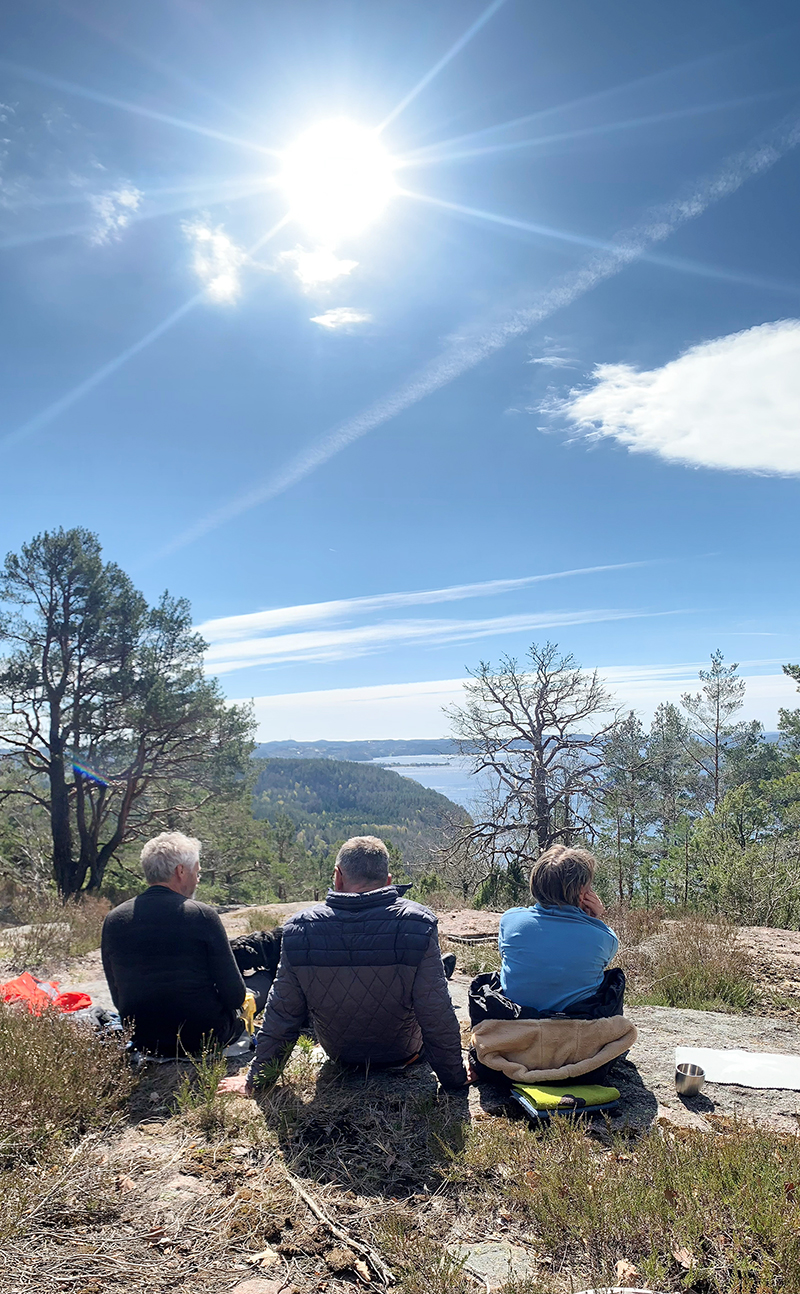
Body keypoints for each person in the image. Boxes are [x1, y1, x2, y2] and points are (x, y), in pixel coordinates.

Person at [219, 835, 467, 1095]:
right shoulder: (419, 923)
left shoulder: (299, 928)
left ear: (337, 877)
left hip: (340, 1056)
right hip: (404, 1054)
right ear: (389, 882)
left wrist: (256, 1079)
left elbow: (282, 1014)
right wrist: (454, 1077)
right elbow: (436, 1012)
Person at [101, 831, 256, 1055]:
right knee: (260, 983)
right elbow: (234, 996)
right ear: (180, 871)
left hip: (144, 1038)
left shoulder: (114, 919)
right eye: (197, 871)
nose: (198, 878)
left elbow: (118, 996)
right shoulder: (201, 915)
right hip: (205, 1037)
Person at [498, 843, 621, 1013]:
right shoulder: (605, 937)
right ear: (582, 894)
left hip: (517, 1019)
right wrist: (594, 919)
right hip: (575, 1025)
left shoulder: (509, 920)